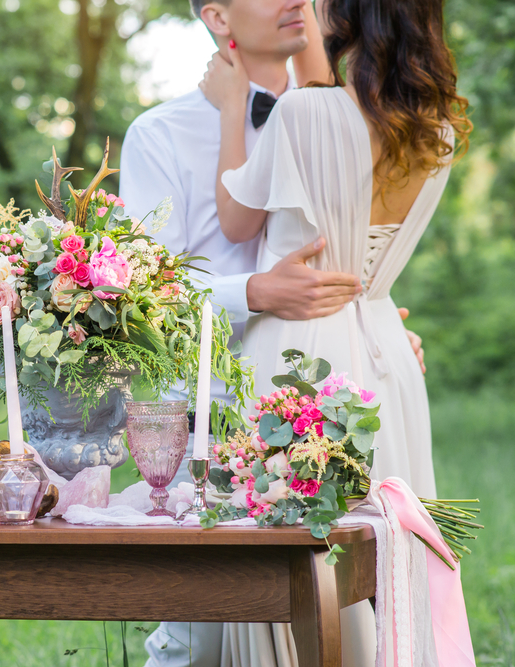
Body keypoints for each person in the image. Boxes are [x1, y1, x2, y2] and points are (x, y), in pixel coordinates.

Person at [119, 0, 435, 665]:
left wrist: (374, 314)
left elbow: (342, 241)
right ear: (218, 18)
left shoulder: (347, 112)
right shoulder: (159, 134)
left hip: (342, 387)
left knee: (364, 598)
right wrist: (253, 292)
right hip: (214, 406)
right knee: (199, 632)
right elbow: (146, 298)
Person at [197, 0, 472, 662]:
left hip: (301, 352)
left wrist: (235, 104)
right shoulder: (438, 131)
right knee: (382, 555)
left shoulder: (305, 114)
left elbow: (236, 221)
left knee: (295, 551)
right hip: (384, 352)